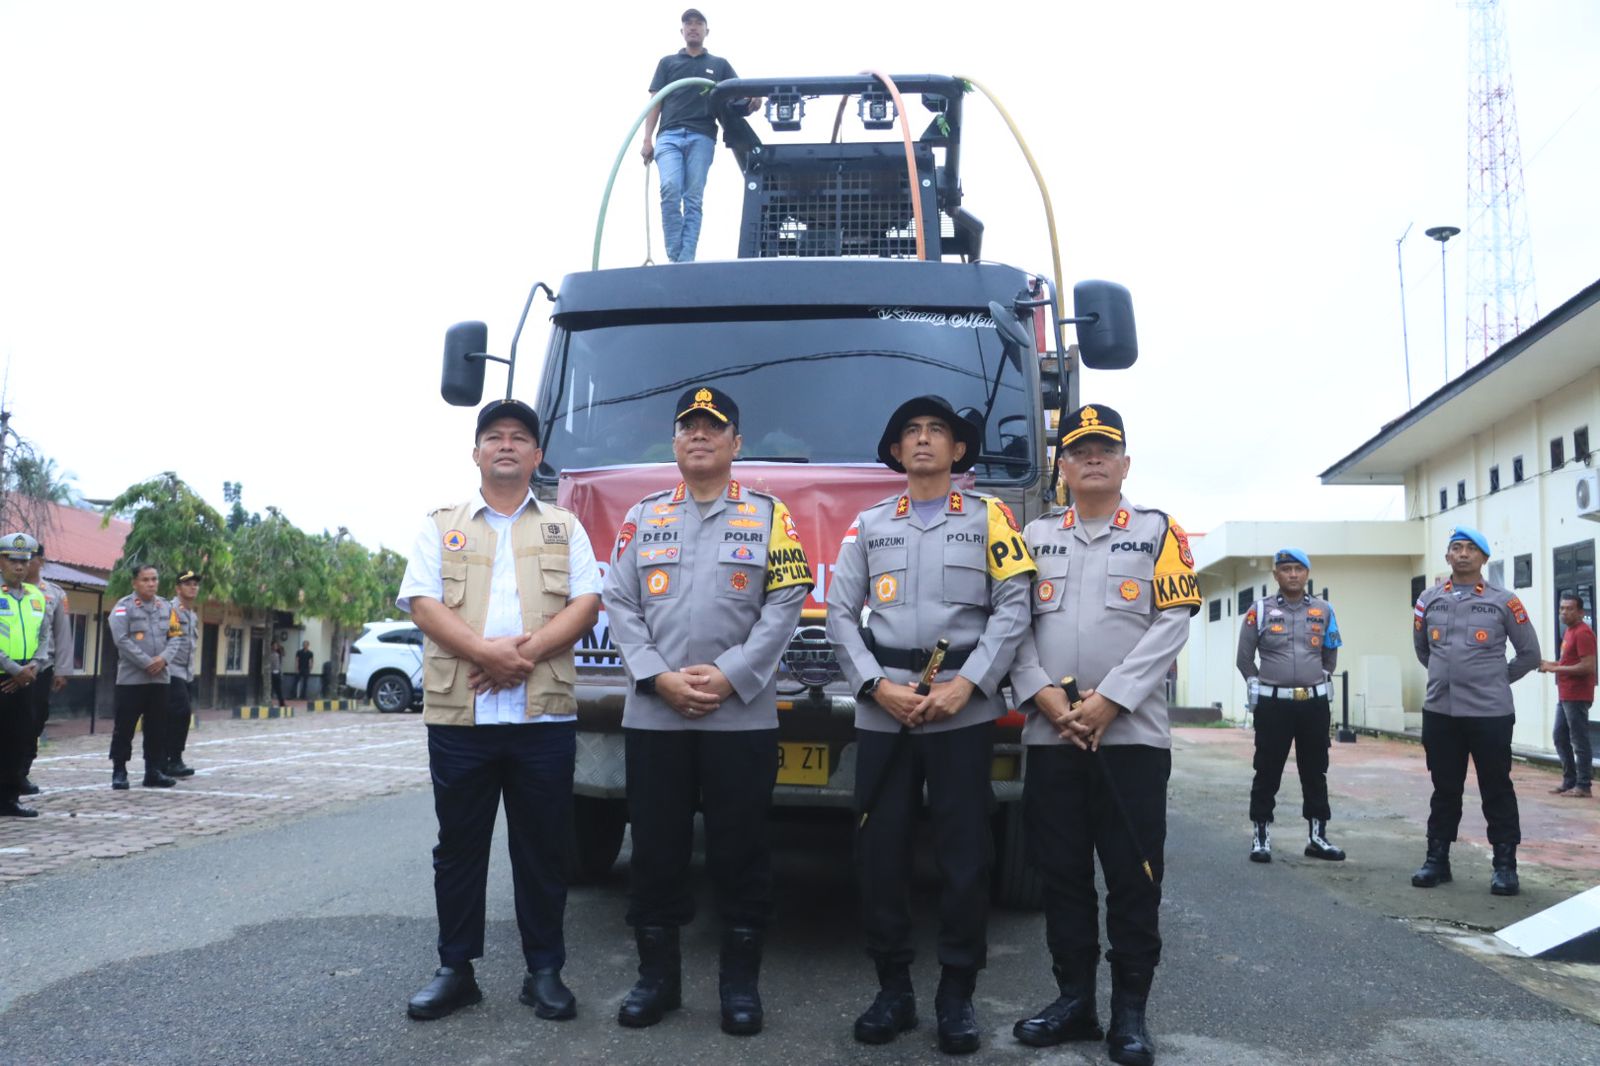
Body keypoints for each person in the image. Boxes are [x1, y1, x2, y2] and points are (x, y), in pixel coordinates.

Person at [826, 395, 1036, 1055]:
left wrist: (969, 685)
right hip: (884, 709)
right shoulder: (868, 525)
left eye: (936, 430)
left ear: (958, 449)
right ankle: (892, 990)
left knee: (965, 857)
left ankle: (956, 995)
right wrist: (874, 686)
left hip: (960, 709)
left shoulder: (990, 518)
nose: (922, 440)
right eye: (910, 432)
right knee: (879, 853)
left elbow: (1014, 606)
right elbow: (839, 615)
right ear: (895, 452)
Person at [603, 385, 812, 1036]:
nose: (699, 435)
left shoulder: (769, 515)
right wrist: (657, 676)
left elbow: (787, 601)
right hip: (656, 714)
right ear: (674, 442)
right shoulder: (643, 517)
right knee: (656, 850)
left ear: (736, 444)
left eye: (713, 427)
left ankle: (739, 987)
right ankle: (656, 981)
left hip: (739, 717)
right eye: (688, 426)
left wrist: (731, 675)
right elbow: (619, 601)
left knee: (741, 851)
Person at [397, 398, 602, 1023]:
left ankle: (545, 973)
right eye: (494, 436)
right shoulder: (441, 524)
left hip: (543, 718)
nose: (506, 444)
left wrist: (522, 657)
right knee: (459, 849)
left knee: (543, 850)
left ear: (537, 456)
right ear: (477, 453)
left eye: (518, 437)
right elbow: (423, 603)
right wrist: (487, 653)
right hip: (462, 717)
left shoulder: (565, 527)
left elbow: (587, 604)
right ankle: (455, 971)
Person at [1007, 405, 1199, 1066]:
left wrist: (1110, 699)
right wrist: (1043, 695)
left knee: (1133, 877)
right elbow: (1012, 626)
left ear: (1125, 463)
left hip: (1132, 739)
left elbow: (1173, 621)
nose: (1092, 457)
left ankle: (1129, 1015)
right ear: (1061, 465)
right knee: (1061, 876)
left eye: (1105, 448)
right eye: (1079, 448)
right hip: (1051, 734)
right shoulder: (1032, 536)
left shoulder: (1158, 531)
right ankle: (1074, 1002)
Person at [1411, 525, 1540, 896]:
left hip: (1490, 714)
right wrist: (1448, 677)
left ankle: (1505, 866)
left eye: (1471, 548)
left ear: (1484, 558)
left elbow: (1529, 654)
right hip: (1441, 712)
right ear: (1447, 556)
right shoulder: (1428, 599)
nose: (1463, 554)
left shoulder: (1505, 601)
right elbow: (1423, 649)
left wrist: (1495, 679)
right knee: (1444, 788)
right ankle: (1437, 860)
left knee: (1496, 787)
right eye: (1456, 547)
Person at [1236, 548, 1346, 863]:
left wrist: (1315, 680)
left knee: (1315, 770)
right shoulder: (1260, 610)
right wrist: (1260, 686)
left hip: (1313, 705)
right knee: (1267, 770)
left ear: (1307, 573)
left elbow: (1330, 653)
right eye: (1286, 569)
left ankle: (1317, 837)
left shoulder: (1324, 610)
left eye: (1299, 569)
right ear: (1276, 575)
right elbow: (1244, 659)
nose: (1293, 574)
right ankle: (1261, 836)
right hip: (1274, 706)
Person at [641, 8, 756, 263]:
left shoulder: (719, 65)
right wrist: (647, 139)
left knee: (693, 198)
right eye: (688, 23)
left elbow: (741, 93)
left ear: (706, 31)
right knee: (670, 188)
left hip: (701, 136)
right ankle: (677, 257)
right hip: (669, 136)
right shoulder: (668, 63)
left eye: (698, 23)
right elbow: (655, 102)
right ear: (682, 31)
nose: (693, 27)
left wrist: (754, 99)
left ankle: (685, 260)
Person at [108, 562, 177, 790]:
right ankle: (119, 771)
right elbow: (121, 640)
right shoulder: (123, 607)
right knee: (125, 727)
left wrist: (163, 659)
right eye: (145, 579)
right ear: (134, 583)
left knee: (157, 727)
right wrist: (147, 662)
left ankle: (153, 771)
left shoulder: (167, 607)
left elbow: (176, 637)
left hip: (160, 679)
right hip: (132, 679)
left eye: (154, 579)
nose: (151, 584)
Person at [1, 532, 51, 817]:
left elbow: (44, 636)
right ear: (1, 561)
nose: (19, 566)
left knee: (20, 739)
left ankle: (9, 799)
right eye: (12, 560)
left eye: (24, 561)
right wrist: (14, 669)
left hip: (28, 677)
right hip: (4, 675)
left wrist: (34, 666)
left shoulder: (36, 596)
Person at [20, 539, 73, 796]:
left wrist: (62, 669)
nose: (23, 564)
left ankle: (21, 772)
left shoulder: (54, 593)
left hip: (42, 668)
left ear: (40, 561)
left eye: (29, 558)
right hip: (8, 667)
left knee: (35, 719)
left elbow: (63, 634)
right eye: (17, 558)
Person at [1541, 594, 1595, 798]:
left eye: (1569, 608)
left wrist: (1555, 669)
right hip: (1565, 694)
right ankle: (1569, 780)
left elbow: (1588, 666)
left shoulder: (1583, 633)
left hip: (1577, 694)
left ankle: (1583, 785)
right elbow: (1568, 662)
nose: (1564, 612)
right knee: (1560, 737)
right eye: (1562, 608)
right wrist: (1550, 664)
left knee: (1579, 740)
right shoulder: (1569, 632)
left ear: (1580, 612)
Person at [164, 570, 202, 778]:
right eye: (188, 584)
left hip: (187, 673)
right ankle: (173, 759)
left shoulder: (192, 615)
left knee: (179, 716)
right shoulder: (171, 611)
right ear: (178, 589)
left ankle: (172, 759)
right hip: (171, 670)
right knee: (181, 712)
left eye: (195, 584)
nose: (193, 587)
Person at [269, 640, 286, 707]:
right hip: (271, 672)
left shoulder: (278, 654)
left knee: (279, 689)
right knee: (271, 689)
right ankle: (269, 702)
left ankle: (282, 703)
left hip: (277, 672)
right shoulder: (270, 654)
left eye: (276, 646)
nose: (275, 647)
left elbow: (283, 655)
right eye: (274, 646)